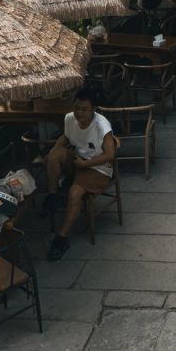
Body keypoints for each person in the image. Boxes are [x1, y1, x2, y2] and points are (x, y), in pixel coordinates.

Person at [44, 91, 118, 260]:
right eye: (77, 108)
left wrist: (85, 164)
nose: (79, 113)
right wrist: (53, 150)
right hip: (79, 161)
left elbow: (110, 155)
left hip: (98, 167)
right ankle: (53, 196)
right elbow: (65, 137)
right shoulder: (70, 119)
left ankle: (61, 238)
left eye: (84, 110)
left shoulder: (102, 125)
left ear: (93, 110)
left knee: (74, 193)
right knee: (54, 155)